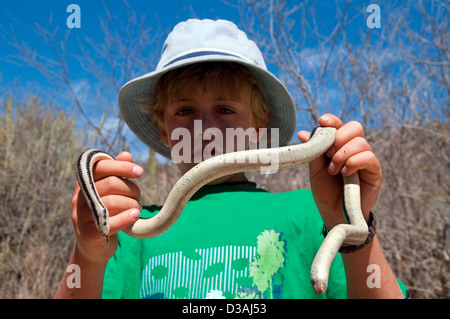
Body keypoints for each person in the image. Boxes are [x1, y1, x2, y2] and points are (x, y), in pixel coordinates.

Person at [55, 19, 408, 299]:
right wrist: (87, 255)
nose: (206, 127)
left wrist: (353, 231)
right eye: (185, 110)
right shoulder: (127, 231)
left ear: (258, 129)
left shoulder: (315, 214)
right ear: (164, 133)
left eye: (225, 109)